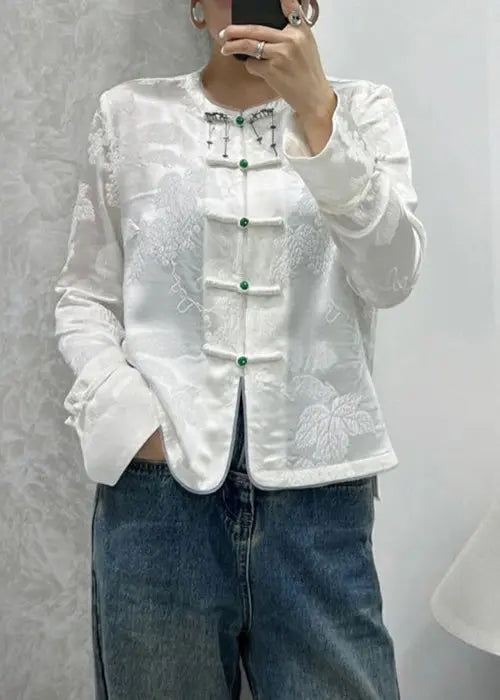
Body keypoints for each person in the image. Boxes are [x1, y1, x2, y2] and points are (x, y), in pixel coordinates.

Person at [54, 0, 427, 697]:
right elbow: (85, 296)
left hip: (320, 498)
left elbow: (392, 277)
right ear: (196, 6)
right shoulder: (128, 114)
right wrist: (131, 420)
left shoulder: (361, 111)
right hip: (158, 501)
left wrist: (318, 114)